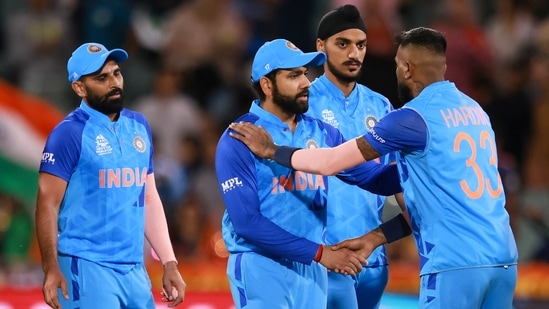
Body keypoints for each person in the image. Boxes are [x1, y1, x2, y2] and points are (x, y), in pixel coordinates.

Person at [228, 27, 518, 308]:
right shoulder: (475, 111)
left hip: (454, 264)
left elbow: (331, 162)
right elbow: (436, 195)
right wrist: (374, 238)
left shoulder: (409, 119)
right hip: (503, 259)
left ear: (406, 69)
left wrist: (273, 151)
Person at [215, 38, 402, 309]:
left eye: (305, 73)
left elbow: (375, 179)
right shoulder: (239, 138)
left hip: (313, 270)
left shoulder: (323, 133)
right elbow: (247, 223)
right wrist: (319, 253)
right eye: (293, 75)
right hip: (261, 265)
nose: (306, 83)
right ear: (266, 85)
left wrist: (422, 171)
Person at [35, 42, 186, 309]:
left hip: (134, 269)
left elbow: (149, 198)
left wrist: (169, 261)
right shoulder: (68, 134)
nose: (113, 82)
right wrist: (50, 267)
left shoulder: (138, 125)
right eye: (101, 78)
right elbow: (47, 203)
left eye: (116, 73)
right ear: (79, 88)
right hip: (86, 265)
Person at [307, 4, 406, 309]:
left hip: (373, 262)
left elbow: (399, 181)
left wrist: (415, 224)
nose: (354, 53)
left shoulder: (381, 106)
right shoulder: (303, 103)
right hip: (327, 258)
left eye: (360, 45)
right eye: (343, 44)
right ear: (321, 46)